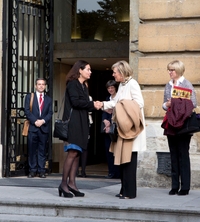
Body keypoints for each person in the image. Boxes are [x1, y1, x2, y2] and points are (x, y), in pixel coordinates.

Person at [97, 60, 146, 199]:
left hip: (130, 128)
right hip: (122, 129)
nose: (113, 75)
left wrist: (122, 105)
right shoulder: (123, 85)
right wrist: (102, 104)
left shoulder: (133, 84)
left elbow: (139, 103)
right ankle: (124, 189)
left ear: (122, 72)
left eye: (115, 72)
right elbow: (114, 102)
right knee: (123, 161)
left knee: (129, 161)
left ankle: (130, 192)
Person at [59, 60, 98, 198]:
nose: (90, 72)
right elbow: (76, 102)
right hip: (73, 123)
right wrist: (93, 104)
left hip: (82, 122)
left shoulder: (83, 86)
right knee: (72, 152)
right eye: (88, 69)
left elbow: (85, 104)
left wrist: (92, 105)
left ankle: (72, 184)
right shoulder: (73, 84)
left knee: (77, 154)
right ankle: (63, 184)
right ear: (80, 70)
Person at [162, 60, 197, 196]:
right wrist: (168, 104)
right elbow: (164, 105)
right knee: (173, 155)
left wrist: (176, 103)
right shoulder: (168, 85)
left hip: (183, 124)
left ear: (178, 70)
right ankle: (174, 186)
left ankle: (185, 187)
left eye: (172, 70)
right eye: (169, 70)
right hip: (171, 123)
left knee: (183, 155)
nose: (170, 72)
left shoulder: (186, 83)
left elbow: (193, 103)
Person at [24, 78, 53, 178]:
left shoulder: (48, 99)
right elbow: (27, 111)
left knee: (42, 150)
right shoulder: (29, 97)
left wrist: (43, 121)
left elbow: (50, 113)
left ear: (45, 86)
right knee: (32, 150)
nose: (41, 86)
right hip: (33, 127)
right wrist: (35, 121)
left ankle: (41, 170)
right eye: (39, 84)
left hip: (44, 128)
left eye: (43, 84)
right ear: (35, 86)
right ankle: (32, 170)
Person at [102, 80, 120, 179]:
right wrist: (105, 120)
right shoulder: (107, 98)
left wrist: (110, 112)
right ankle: (111, 172)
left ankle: (118, 172)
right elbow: (104, 112)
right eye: (109, 88)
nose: (110, 89)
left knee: (117, 151)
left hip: (116, 127)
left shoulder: (119, 97)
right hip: (107, 128)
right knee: (108, 150)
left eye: (112, 87)